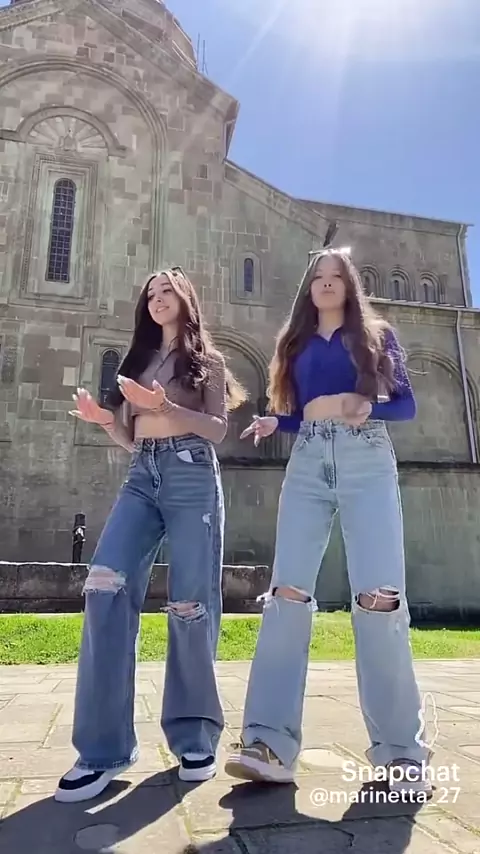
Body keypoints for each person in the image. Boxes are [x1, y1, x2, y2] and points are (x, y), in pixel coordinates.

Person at [225, 248, 432, 798]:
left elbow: (406, 406)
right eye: (317, 276)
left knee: (379, 596)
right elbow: (301, 412)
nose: (326, 282)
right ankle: (268, 744)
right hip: (309, 457)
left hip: (367, 456)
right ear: (308, 287)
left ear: (350, 285)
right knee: (286, 592)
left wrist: (369, 407)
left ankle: (401, 752)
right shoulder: (294, 343)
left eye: (336, 276)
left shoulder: (376, 336)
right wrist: (276, 423)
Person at [55, 267, 246, 803]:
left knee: (190, 603)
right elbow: (131, 436)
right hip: (143, 474)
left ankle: (194, 738)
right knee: (104, 584)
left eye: (167, 291)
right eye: (150, 294)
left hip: (192, 474)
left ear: (185, 300)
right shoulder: (135, 360)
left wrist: (165, 406)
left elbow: (215, 428)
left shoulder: (207, 361)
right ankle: (101, 750)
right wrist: (103, 420)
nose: (157, 298)